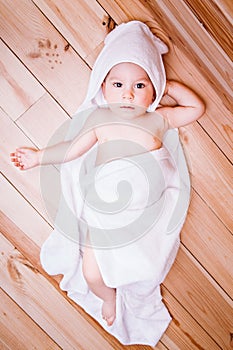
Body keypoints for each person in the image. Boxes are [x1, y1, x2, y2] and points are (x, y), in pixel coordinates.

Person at [10, 21, 205, 344]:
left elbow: (196, 108)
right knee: (91, 273)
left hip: (141, 213)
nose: (128, 93)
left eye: (140, 85)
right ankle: (108, 297)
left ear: (153, 90)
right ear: (102, 88)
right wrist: (39, 156)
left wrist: (168, 86)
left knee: (143, 261)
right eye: (117, 84)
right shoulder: (100, 120)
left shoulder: (158, 119)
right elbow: (72, 151)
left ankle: (126, 281)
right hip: (103, 213)